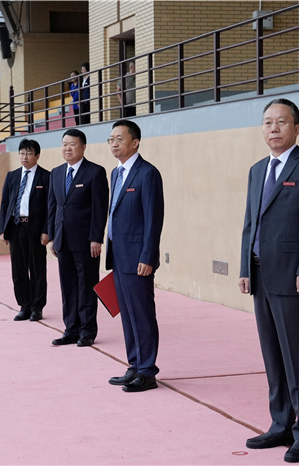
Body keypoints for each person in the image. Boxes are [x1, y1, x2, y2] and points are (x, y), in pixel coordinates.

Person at [238, 99, 299, 463]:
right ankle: (282, 424)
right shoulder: (257, 170)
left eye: (281, 122)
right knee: (273, 356)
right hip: (261, 275)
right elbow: (251, 223)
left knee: (298, 357)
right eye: (267, 122)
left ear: (297, 127)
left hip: (294, 278)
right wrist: (245, 268)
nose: (273, 128)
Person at [105, 120, 164, 393]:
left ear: (135, 142)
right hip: (118, 256)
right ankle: (134, 365)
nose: (114, 143)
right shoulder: (116, 173)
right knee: (127, 315)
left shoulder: (147, 173)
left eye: (120, 138)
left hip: (138, 257)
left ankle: (147, 371)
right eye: (111, 139)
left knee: (141, 314)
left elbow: (153, 218)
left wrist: (148, 256)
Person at [47, 129, 109, 347]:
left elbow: (100, 208)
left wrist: (96, 238)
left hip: (86, 242)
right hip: (62, 240)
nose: (67, 148)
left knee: (86, 285)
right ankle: (71, 329)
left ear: (83, 147)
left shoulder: (95, 172)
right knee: (68, 287)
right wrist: (53, 236)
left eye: (72, 144)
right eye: (64, 144)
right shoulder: (56, 173)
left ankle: (87, 331)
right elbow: (52, 207)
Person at [0, 138, 51, 322]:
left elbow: (50, 207)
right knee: (18, 269)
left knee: (37, 268)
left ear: (37, 155)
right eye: (22, 153)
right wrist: (3, 229)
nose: (24, 157)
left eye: (29, 153)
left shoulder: (46, 176)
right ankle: (24, 306)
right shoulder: (12, 176)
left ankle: (37, 307)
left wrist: (46, 230)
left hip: (35, 228)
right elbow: (5, 204)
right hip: (16, 227)